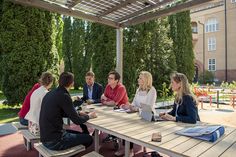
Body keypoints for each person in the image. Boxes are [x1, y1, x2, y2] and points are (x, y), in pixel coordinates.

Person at [39, 72, 97, 151]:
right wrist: (89, 116)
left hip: (45, 138)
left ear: (59, 81)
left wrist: (78, 113)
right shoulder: (64, 95)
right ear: (72, 83)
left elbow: (60, 112)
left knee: (83, 134)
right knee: (89, 138)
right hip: (55, 141)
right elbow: (77, 121)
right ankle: (69, 153)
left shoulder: (50, 93)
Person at [119, 71, 157, 156]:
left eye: (140, 78)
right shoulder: (138, 89)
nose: (138, 79)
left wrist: (135, 108)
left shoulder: (152, 90)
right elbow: (134, 104)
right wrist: (127, 106)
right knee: (124, 122)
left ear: (146, 80)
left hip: (148, 116)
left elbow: (148, 107)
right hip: (138, 115)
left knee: (130, 125)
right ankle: (126, 148)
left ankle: (130, 150)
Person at [25, 72, 54, 136]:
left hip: (31, 124)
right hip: (37, 126)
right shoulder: (45, 93)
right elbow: (49, 111)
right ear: (51, 82)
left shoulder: (36, 91)